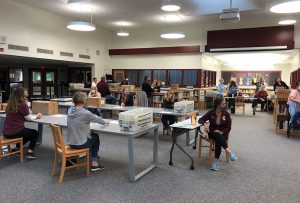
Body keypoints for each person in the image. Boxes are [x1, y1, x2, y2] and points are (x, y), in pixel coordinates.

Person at [66, 92, 110, 171]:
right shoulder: (85, 113)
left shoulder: (70, 110)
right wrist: (105, 121)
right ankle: (94, 163)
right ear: (83, 101)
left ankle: (92, 154)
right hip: (79, 144)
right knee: (95, 137)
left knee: (91, 134)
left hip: (71, 143)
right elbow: (97, 119)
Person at [198, 97, 237, 171]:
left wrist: (222, 132)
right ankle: (229, 151)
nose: (225, 105)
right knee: (216, 134)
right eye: (223, 103)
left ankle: (215, 162)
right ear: (218, 105)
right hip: (212, 133)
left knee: (218, 140)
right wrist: (205, 124)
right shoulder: (211, 112)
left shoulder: (226, 114)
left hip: (223, 133)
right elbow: (200, 120)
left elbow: (228, 127)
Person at [3, 87, 42, 159]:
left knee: (27, 133)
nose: (27, 94)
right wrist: (37, 116)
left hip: (6, 132)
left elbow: (24, 113)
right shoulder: (22, 105)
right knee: (34, 133)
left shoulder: (10, 104)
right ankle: (30, 152)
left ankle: (17, 148)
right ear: (21, 95)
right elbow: (28, 118)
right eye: (26, 93)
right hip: (15, 132)